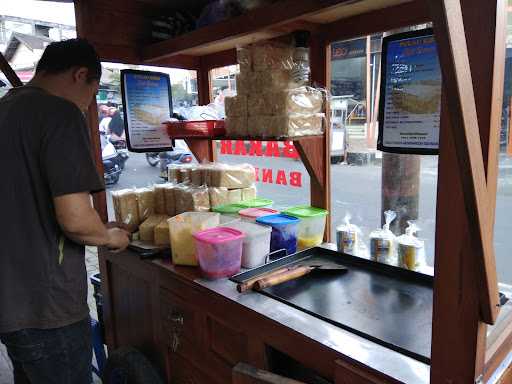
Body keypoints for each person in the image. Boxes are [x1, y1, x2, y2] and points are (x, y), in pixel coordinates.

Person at [0, 39, 130, 384]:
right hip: (47, 305)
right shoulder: (59, 112)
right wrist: (110, 234)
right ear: (80, 75)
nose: (90, 103)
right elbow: (75, 220)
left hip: (10, 302)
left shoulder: (6, 109)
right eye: (93, 91)